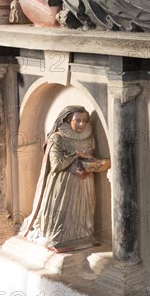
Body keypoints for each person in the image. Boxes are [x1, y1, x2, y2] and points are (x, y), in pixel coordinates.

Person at [21, 106, 110, 252]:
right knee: (62, 214)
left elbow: (89, 157)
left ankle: (82, 237)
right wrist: (76, 154)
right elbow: (56, 164)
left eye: (84, 121)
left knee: (83, 211)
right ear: (69, 120)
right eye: (77, 120)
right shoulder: (58, 137)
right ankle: (60, 238)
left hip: (84, 181)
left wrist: (94, 162)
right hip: (62, 184)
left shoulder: (89, 136)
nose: (81, 124)